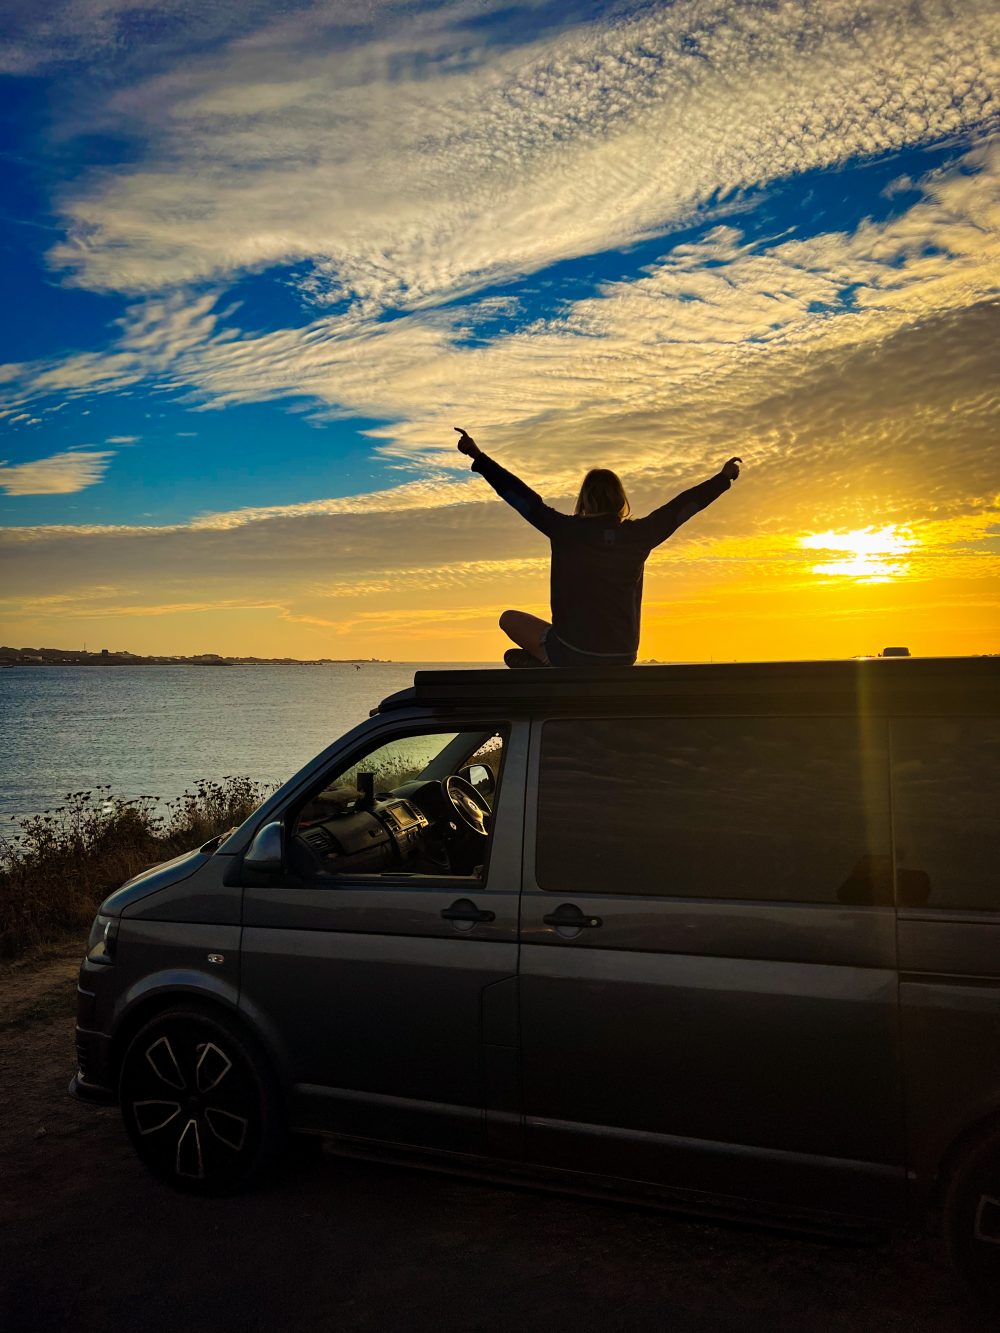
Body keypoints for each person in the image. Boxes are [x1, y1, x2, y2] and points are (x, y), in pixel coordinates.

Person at [455, 427, 741, 668]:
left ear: (584, 499)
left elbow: (521, 498)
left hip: (573, 653)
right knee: (530, 648)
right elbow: (680, 509)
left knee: (509, 620)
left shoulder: (565, 530)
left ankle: (548, 665)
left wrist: (479, 457)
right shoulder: (639, 535)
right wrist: (721, 480)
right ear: (620, 500)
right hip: (623, 656)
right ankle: (546, 663)